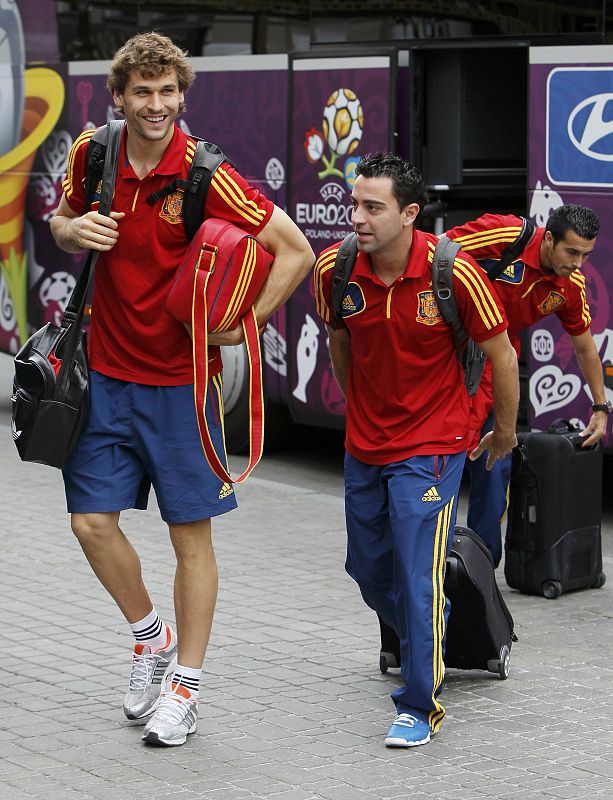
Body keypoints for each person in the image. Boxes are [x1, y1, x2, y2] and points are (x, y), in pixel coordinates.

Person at [50, 32, 314, 748]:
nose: (157, 105)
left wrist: (244, 326)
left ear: (181, 95)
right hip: (103, 375)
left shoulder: (206, 173)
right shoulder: (92, 152)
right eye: (143, 92)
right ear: (118, 96)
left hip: (180, 386)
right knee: (90, 524)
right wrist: (76, 229)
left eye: (168, 92)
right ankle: (149, 638)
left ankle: (185, 689)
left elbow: (296, 250)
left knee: (187, 537)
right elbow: (59, 223)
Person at [313, 153, 519, 748]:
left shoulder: (455, 273)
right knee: (369, 568)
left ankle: (420, 702)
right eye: (354, 204)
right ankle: (430, 628)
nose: (357, 217)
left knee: (417, 567)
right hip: (366, 443)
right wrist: (358, 410)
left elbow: (502, 356)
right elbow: (339, 339)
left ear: (408, 214)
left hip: (434, 444)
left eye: (372, 208)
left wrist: (503, 433)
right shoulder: (338, 268)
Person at [446, 206, 607, 567]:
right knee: (443, 459)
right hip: (445, 361)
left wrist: (600, 406)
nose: (578, 263)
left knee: (495, 464)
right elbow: (435, 254)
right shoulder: (505, 235)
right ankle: (432, 556)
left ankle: (479, 568)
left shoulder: (570, 286)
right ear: (549, 239)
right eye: (572, 252)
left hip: (496, 374)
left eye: (586, 255)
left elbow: (584, 345)